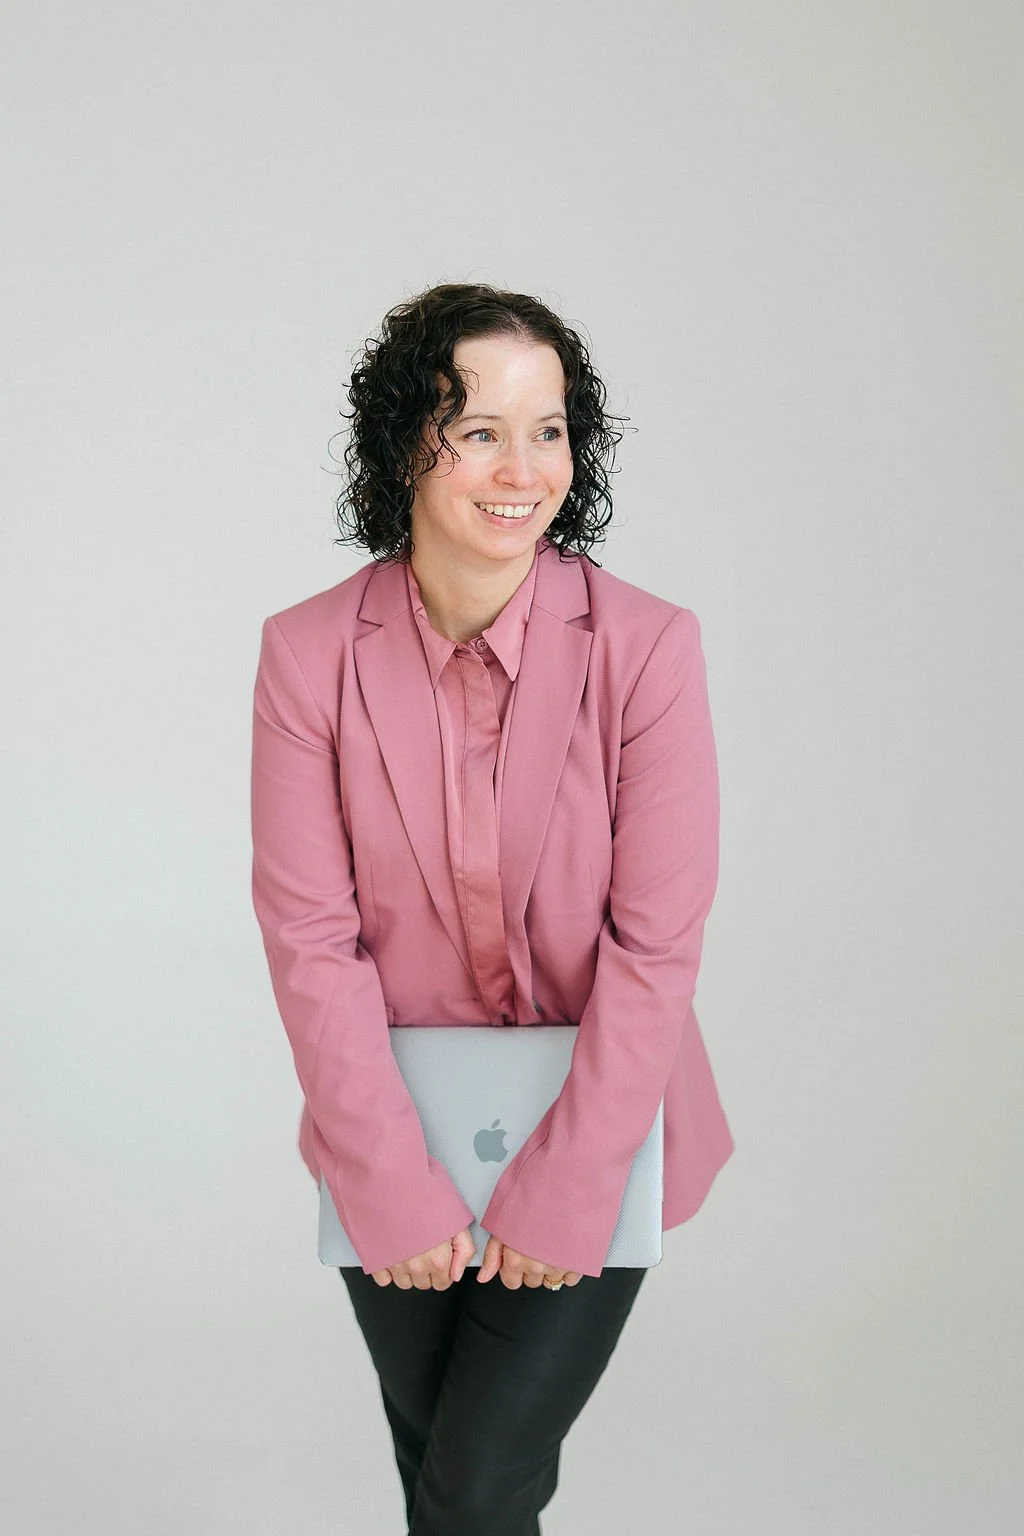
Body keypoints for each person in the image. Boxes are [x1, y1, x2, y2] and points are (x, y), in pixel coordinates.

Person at [249, 282, 734, 1534]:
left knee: (475, 1486)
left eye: (551, 428)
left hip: (602, 1132)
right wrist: (388, 1182)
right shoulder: (310, 656)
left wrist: (573, 1182)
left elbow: (656, 943)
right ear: (405, 441)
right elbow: (310, 936)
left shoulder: (649, 648)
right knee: (444, 1486)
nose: (523, 469)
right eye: (477, 430)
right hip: (386, 1137)